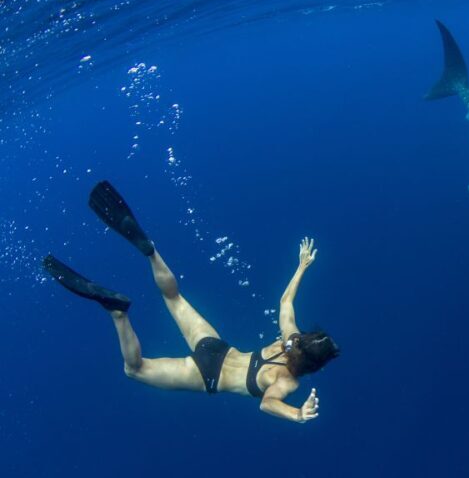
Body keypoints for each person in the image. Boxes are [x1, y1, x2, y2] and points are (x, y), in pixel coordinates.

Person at [43, 180, 339, 423]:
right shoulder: (288, 380)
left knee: (172, 296)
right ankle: (118, 313)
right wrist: (297, 413)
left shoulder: (290, 338)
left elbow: (285, 303)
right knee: (135, 369)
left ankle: (151, 252)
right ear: (316, 366)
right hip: (206, 374)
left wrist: (301, 267)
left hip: (217, 347)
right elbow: (268, 403)